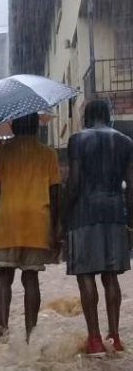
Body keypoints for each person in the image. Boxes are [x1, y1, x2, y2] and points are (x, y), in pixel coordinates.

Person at [66, 99, 133, 355]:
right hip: (115, 213)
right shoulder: (125, 142)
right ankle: (114, 336)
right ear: (108, 115)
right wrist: (131, 221)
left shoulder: (78, 140)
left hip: (84, 213)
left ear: (87, 117)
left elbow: (74, 182)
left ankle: (94, 339)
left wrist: (64, 215)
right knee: (111, 275)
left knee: (86, 275)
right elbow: (132, 186)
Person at [0, 113, 61, 342]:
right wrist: (57, 228)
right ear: (37, 127)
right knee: (31, 279)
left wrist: (0, 164)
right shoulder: (49, 154)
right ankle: (30, 335)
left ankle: (4, 329)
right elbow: (56, 193)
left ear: (14, 126)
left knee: (4, 276)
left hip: (8, 220)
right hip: (38, 221)